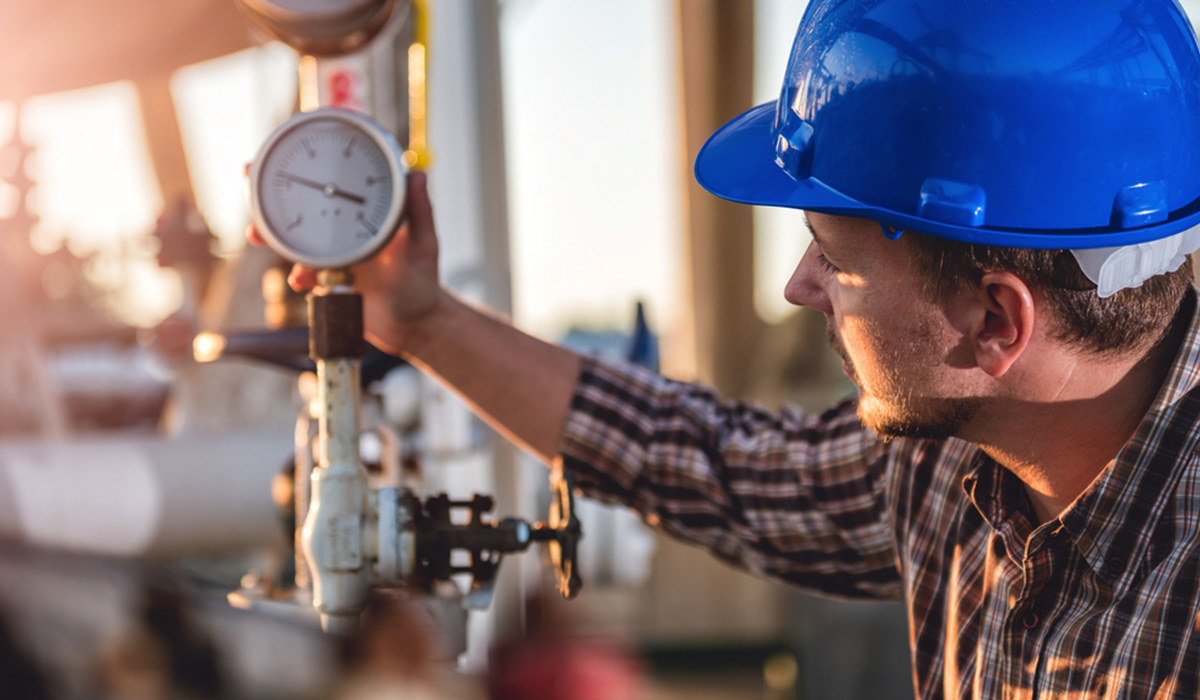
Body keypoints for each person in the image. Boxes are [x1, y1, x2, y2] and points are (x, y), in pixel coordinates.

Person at [251, 0, 1200, 696]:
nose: (800, 286)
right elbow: (711, 462)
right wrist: (421, 319)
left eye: (832, 256)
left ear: (998, 322)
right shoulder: (955, 464)